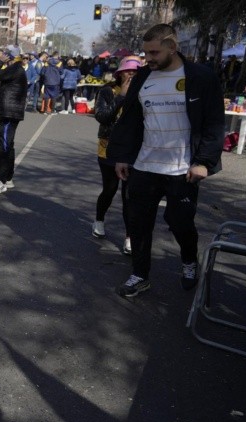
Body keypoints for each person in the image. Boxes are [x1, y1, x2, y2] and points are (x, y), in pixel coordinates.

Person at [108, 23, 225, 299]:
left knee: (181, 222)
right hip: (145, 165)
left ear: (173, 47)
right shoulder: (143, 77)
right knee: (138, 223)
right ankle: (140, 274)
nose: (148, 58)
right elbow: (131, 120)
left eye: (155, 52)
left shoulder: (201, 77)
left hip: (182, 169)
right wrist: (123, 156)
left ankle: (188, 261)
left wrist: (204, 162)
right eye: (146, 52)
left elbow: (214, 124)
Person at [92, 56, 140, 254]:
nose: (131, 75)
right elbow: (101, 116)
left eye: (135, 72)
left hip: (133, 152)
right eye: (128, 71)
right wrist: (121, 97)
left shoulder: (143, 92)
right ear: (119, 74)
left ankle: (129, 237)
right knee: (110, 190)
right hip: (108, 149)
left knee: (129, 196)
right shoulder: (107, 91)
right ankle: (99, 220)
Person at [0, 45, 27, 195]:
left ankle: (2, 181)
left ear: (10, 56)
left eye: (4, 54)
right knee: (8, 146)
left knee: (4, 147)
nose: (1, 55)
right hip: (10, 112)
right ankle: (8, 179)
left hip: (9, 113)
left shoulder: (15, 68)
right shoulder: (16, 69)